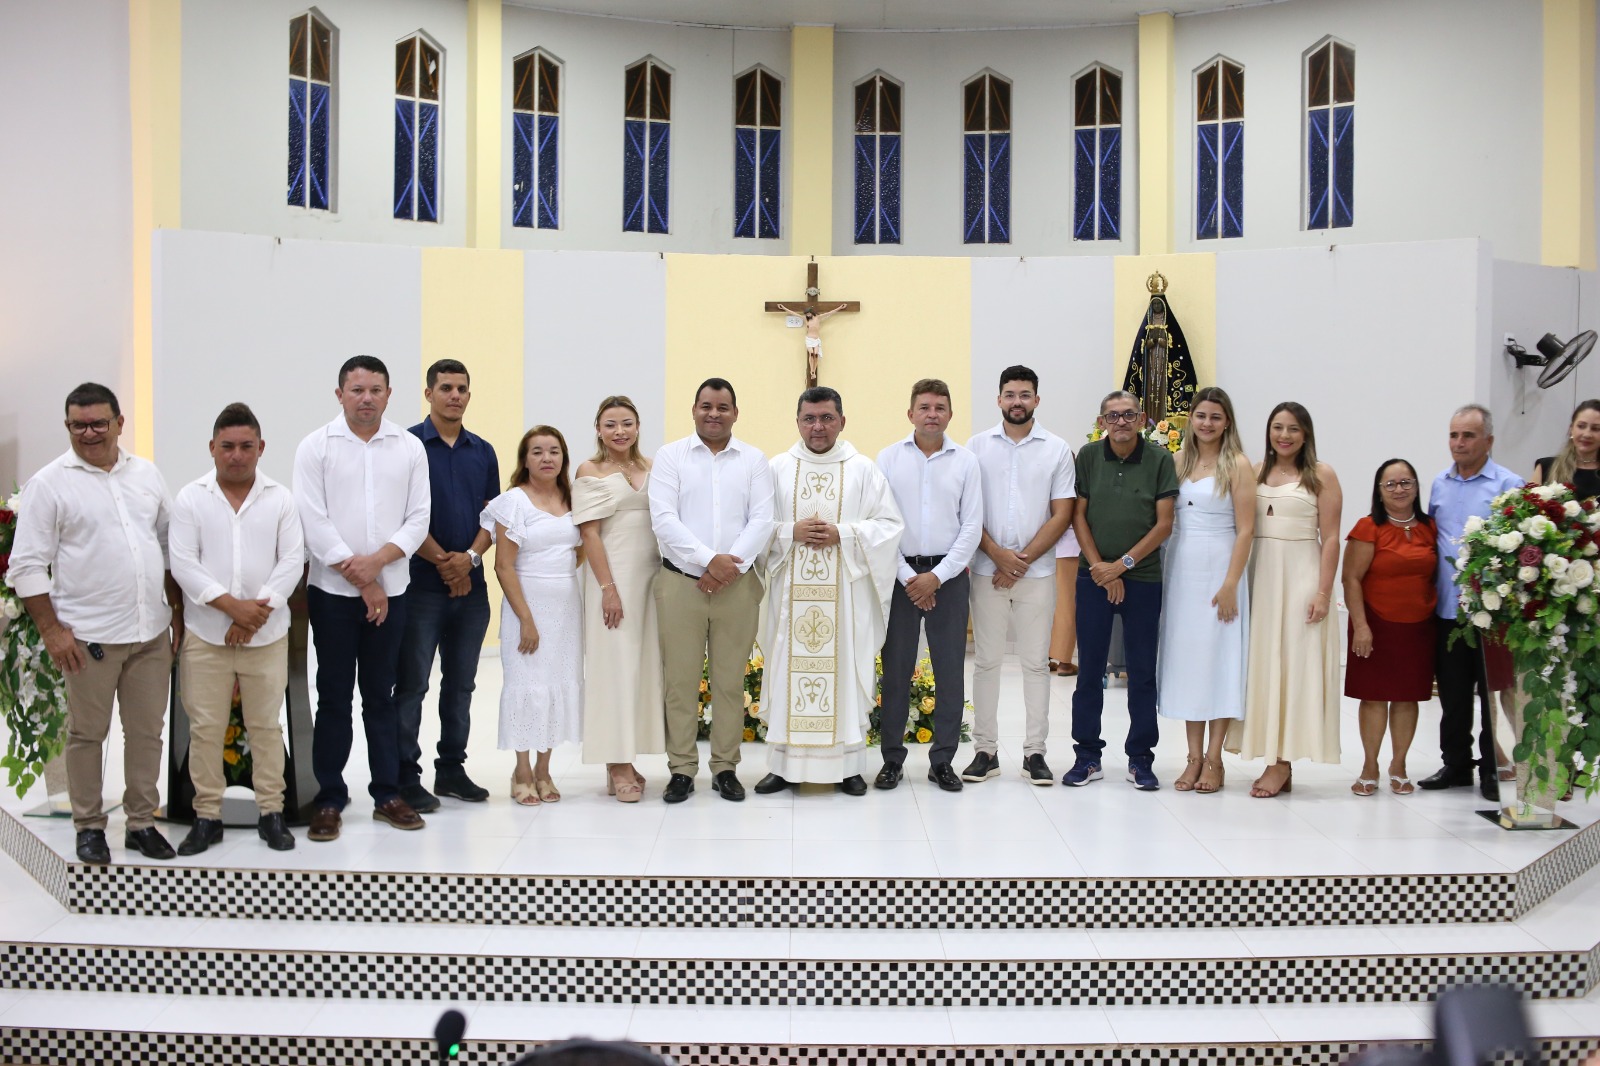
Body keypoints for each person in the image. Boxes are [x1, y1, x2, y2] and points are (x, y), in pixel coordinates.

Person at [8, 383, 183, 864]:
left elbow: (167, 547)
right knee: (88, 735)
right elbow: (25, 565)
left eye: (98, 423)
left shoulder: (145, 474)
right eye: (78, 425)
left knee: (146, 733)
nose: (89, 433)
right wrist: (52, 631)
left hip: (150, 633)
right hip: (88, 639)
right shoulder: (50, 483)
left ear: (119, 423)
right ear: (67, 426)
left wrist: (177, 612)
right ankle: (88, 826)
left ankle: (141, 822)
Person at [293, 355, 431, 842]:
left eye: (375, 390)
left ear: (389, 395)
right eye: (357, 390)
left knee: (381, 696)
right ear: (340, 395)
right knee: (333, 696)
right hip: (332, 594)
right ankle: (329, 798)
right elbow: (313, 521)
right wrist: (363, 577)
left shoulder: (409, 447)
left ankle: (388, 794)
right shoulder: (316, 447)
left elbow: (418, 518)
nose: (366, 398)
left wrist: (378, 565)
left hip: (393, 593)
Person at [168, 403, 305, 853]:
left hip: (267, 636)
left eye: (246, 446)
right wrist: (232, 609)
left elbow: (291, 562)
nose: (236, 455)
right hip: (207, 635)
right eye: (227, 446)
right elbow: (183, 564)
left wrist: (253, 615)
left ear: (261, 448)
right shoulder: (191, 498)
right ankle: (207, 815)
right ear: (212, 447)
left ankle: (271, 813)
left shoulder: (281, 499)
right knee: (205, 728)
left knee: (265, 726)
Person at [755, 387, 904, 795]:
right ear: (797, 421)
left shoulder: (863, 470)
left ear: (842, 421)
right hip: (790, 598)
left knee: (843, 673)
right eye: (809, 418)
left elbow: (889, 526)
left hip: (844, 599)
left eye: (826, 418)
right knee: (787, 672)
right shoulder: (776, 469)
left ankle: (847, 766)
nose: (817, 426)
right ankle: (783, 766)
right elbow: (755, 527)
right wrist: (790, 531)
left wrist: (844, 534)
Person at [648, 378, 774, 804]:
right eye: (706, 406)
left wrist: (725, 569)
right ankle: (682, 769)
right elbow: (664, 519)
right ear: (694, 410)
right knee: (680, 682)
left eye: (722, 407)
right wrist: (709, 561)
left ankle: (725, 768)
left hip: (737, 587)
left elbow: (762, 520)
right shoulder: (671, 457)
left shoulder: (754, 460)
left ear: (735, 412)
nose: (714, 414)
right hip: (680, 585)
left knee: (729, 682)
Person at [394, 359, 501, 813]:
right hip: (420, 587)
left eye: (461, 389)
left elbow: (493, 515)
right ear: (429, 394)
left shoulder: (483, 451)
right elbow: (400, 516)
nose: (454, 395)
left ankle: (452, 770)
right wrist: (445, 564)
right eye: (445, 388)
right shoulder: (406, 446)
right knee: (412, 684)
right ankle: (404, 775)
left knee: (461, 686)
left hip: (471, 589)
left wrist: (469, 560)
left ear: (469, 396)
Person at [962, 366, 1076, 785]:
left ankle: (1035, 752)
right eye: (1010, 394)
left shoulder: (1056, 449)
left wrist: (1020, 561)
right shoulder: (976, 448)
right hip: (986, 570)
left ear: (1036, 400)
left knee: (1035, 664)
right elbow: (968, 511)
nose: (1017, 402)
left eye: (1025, 395)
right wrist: (998, 555)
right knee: (986, 662)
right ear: (999, 400)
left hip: (1037, 573)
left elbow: (1062, 513)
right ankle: (985, 751)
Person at [1226, 401, 1343, 798]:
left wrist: (1323, 592)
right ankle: (1274, 755)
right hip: (1261, 574)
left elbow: (1331, 538)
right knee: (1264, 666)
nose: (1284, 435)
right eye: (1278, 427)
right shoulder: (1255, 471)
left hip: (1301, 576)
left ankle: (1281, 762)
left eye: (1293, 428)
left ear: (1305, 434)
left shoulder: (1321, 474)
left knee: (1293, 666)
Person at [873, 379, 983, 793]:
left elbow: (971, 527)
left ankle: (943, 761)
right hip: (899, 577)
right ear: (911, 414)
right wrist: (909, 577)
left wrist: (937, 577)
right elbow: (881, 524)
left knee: (950, 671)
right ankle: (891, 759)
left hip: (948, 578)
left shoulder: (966, 462)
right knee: (896, 670)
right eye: (924, 407)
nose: (932, 414)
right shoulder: (888, 459)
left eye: (939, 407)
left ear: (950, 414)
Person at [1067, 390, 1178, 791]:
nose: (1121, 422)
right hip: (1093, 577)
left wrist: (1122, 565)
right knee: (1089, 671)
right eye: (1112, 416)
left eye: (1129, 415)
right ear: (1102, 422)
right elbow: (1078, 517)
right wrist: (1102, 568)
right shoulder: (1088, 456)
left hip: (1142, 578)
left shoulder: (1160, 459)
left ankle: (1140, 758)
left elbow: (1164, 524)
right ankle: (1087, 756)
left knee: (1142, 671)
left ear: (1143, 419)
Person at [1421, 404, 1523, 800]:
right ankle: (1456, 765)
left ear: (1489, 440)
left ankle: (1492, 768)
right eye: (1454, 435)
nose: (1459, 443)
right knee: (1453, 694)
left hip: (1491, 613)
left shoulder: (1508, 484)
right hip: (1448, 608)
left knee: (1491, 694)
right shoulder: (1440, 483)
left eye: (1468, 435)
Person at [1157, 386, 1253, 795]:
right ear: (1190, 419)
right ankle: (1192, 756)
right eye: (1201, 416)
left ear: (1227, 422)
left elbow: (1246, 529)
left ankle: (1215, 759)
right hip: (1182, 569)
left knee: (1219, 660)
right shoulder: (1177, 461)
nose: (1207, 423)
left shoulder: (1238, 465)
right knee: (1189, 662)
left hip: (1221, 568)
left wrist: (1231, 583)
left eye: (1215, 417)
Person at [484, 426, 583, 804]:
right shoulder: (513, 502)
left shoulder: (572, 499)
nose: (546, 458)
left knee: (556, 684)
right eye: (537, 451)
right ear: (525, 460)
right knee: (526, 686)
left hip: (565, 608)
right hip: (526, 607)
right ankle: (522, 770)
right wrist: (526, 619)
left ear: (563, 458)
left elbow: (579, 549)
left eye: (554, 451)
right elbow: (503, 566)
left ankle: (544, 769)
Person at [573, 396, 664, 803]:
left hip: (650, 577)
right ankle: (617, 763)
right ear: (598, 429)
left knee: (640, 669)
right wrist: (608, 588)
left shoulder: (652, 467)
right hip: (612, 578)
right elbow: (589, 533)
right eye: (610, 424)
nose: (619, 431)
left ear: (638, 426)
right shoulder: (589, 470)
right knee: (614, 668)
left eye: (627, 423)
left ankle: (626, 756)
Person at [1342, 459, 1437, 797]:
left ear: (1416, 487)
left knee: (1407, 698)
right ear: (1379, 491)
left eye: (1406, 482)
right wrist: (1361, 626)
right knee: (1374, 698)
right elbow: (1350, 579)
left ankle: (1399, 765)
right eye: (1391, 484)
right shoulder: (1368, 528)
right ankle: (1370, 766)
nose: (1399, 489)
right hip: (1375, 624)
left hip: (1419, 627)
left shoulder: (1430, 527)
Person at [1533, 399, 1600, 500]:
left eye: (1595, 429)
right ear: (1571, 429)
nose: (1587, 434)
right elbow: (1528, 506)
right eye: (1581, 426)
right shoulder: (1546, 467)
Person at [775, 303, 848, 386]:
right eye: (806, 314)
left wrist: (840, 307)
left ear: (811, 312)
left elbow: (830, 313)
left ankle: (814, 370)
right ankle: (811, 371)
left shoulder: (818, 318)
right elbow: (794, 313)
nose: (807, 315)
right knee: (811, 353)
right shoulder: (805, 319)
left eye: (808, 313)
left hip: (816, 339)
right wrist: (783, 308)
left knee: (816, 354)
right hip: (809, 339)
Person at [1048, 525, 1080, 676]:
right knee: (1067, 604)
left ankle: (1043, 658)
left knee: (1047, 605)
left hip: (1044, 547)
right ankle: (1064, 663)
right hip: (1069, 548)